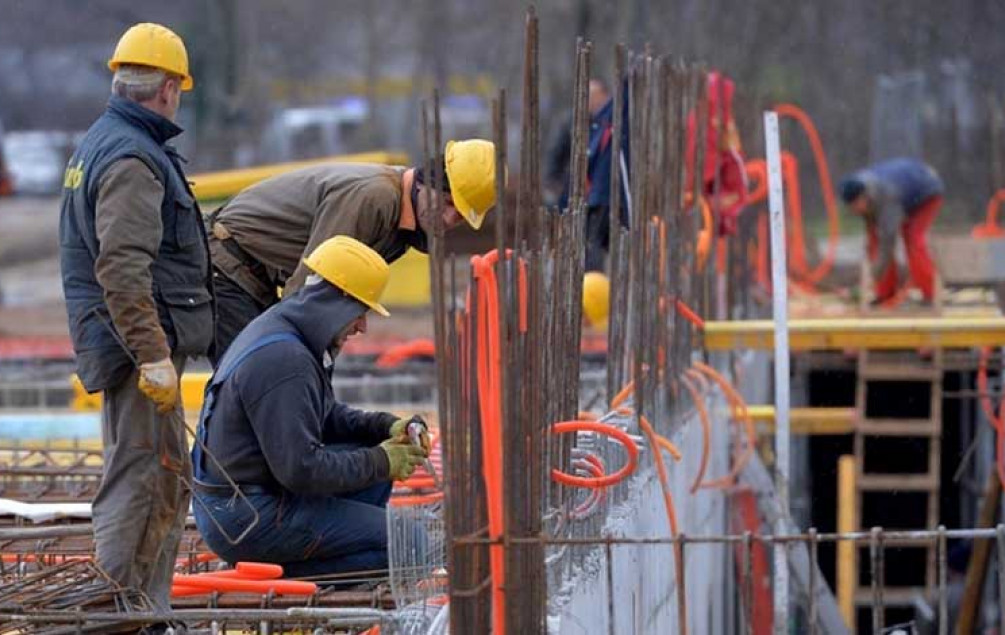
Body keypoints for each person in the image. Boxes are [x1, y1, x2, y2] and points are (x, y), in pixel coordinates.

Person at [57, 22, 211, 614]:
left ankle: (142, 614)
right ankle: (115, 615)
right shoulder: (130, 157)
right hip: (135, 351)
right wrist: (151, 355)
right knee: (143, 482)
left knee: (161, 479)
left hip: (126, 344)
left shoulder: (107, 141)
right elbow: (120, 268)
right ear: (168, 87)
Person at [191, 235, 430, 578]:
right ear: (339, 301)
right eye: (361, 312)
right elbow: (300, 470)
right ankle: (282, 571)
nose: (362, 326)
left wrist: (384, 427)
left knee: (374, 472)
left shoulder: (288, 332)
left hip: (242, 502)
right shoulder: (285, 360)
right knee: (412, 544)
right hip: (246, 517)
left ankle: (323, 545)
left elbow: (323, 415)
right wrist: (381, 459)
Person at [207, 139, 497, 364]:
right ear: (425, 182)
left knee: (274, 374)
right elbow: (312, 284)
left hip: (256, 275)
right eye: (446, 202)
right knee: (258, 378)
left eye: (458, 215)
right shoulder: (376, 198)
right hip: (229, 263)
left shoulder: (403, 223)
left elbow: (341, 296)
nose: (447, 219)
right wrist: (312, 362)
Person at [839, 158, 943, 304]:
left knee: (913, 239)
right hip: (902, 191)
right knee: (875, 242)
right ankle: (885, 293)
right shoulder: (861, 189)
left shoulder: (887, 200)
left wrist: (870, 281)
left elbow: (888, 244)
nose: (854, 211)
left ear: (863, 197)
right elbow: (874, 240)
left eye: (856, 206)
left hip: (926, 191)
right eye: (851, 207)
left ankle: (930, 294)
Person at [686, 71, 749, 237]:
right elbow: (705, 167)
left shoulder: (714, 120)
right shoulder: (708, 121)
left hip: (711, 197)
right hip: (706, 200)